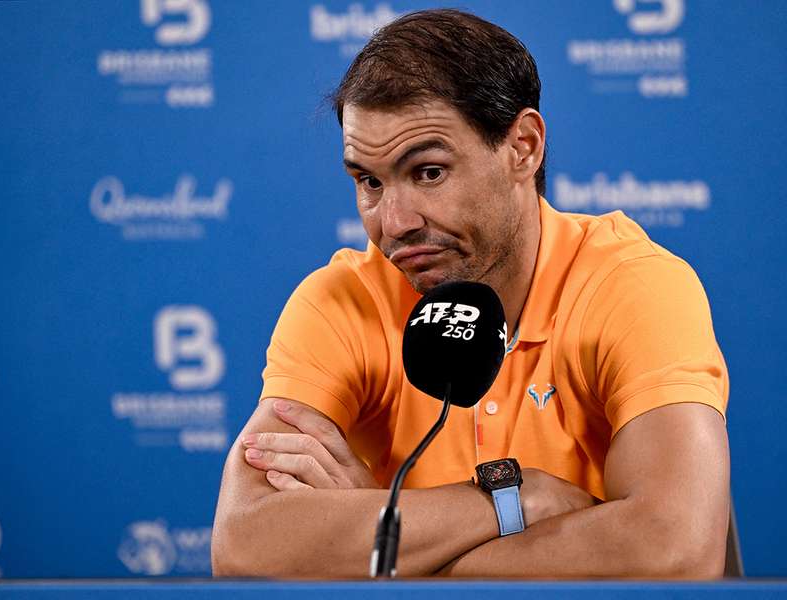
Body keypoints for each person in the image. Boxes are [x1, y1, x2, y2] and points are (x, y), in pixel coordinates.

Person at [211, 9, 730, 579]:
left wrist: (391, 543)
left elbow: (674, 551)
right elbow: (244, 546)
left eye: (429, 172)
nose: (394, 221)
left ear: (523, 148)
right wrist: (513, 501)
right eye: (369, 181)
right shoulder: (342, 300)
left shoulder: (632, 285)